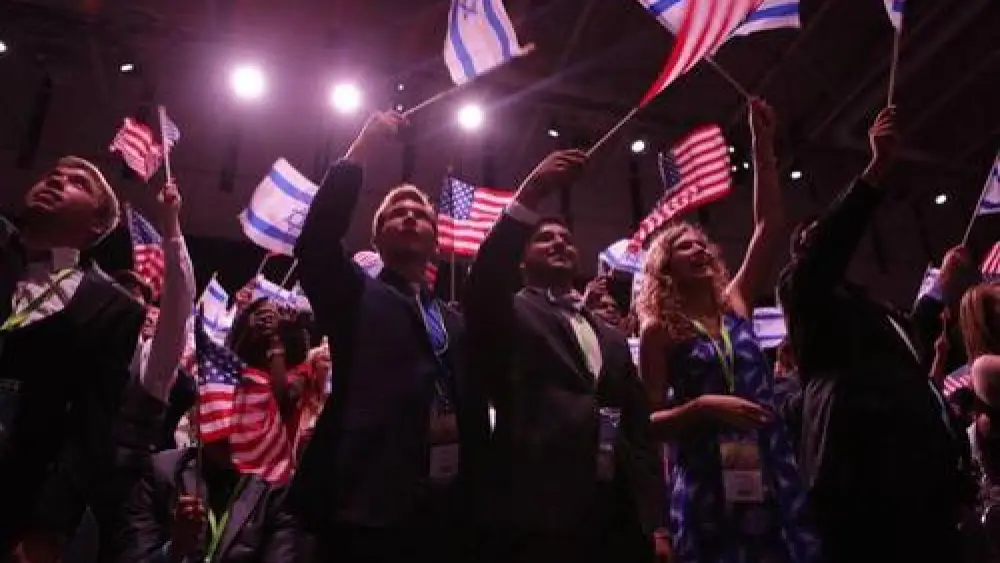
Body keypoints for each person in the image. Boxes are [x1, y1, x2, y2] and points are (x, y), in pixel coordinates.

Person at [290, 111, 489, 563]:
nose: (409, 217)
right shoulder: (354, 294)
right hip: (366, 509)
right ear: (376, 239)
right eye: (396, 213)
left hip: (447, 509)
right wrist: (362, 148)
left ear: (436, 241)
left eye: (419, 213)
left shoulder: (454, 321)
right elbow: (316, 242)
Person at [777, 106, 971, 562]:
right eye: (817, 232)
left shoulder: (867, 308)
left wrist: (943, 283)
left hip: (921, 484)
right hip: (863, 482)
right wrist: (876, 170)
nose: (827, 233)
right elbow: (828, 248)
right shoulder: (802, 289)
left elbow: (907, 340)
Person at [636, 98, 819, 563]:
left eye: (702, 244)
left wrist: (762, 146)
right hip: (706, 476)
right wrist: (701, 407)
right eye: (684, 247)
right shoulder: (660, 330)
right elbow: (646, 422)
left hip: (771, 462)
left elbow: (769, 225)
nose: (699, 250)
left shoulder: (736, 300)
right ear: (665, 267)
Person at [464, 149, 662, 563]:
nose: (559, 241)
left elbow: (638, 431)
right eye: (545, 238)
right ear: (521, 259)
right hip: (537, 515)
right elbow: (485, 274)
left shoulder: (609, 336)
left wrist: (654, 521)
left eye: (566, 239)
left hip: (614, 514)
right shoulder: (509, 311)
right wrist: (532, 192)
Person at [0, 157, 146, 557]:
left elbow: (90, 428)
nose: (56, 180)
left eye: (76, 181)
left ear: (98, 225)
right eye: (51, 174)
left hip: (15, 500)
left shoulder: (114, 308)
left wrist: (48, 529)